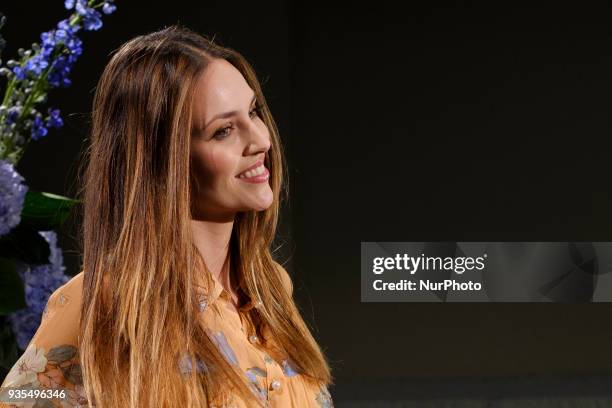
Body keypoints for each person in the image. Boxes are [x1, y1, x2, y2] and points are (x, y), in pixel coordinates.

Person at [0, 25, 334, 408]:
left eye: (253, 112)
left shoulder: (271, 288)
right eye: (223, 130)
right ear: (163, 162)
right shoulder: (100, 305)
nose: (259, 140)